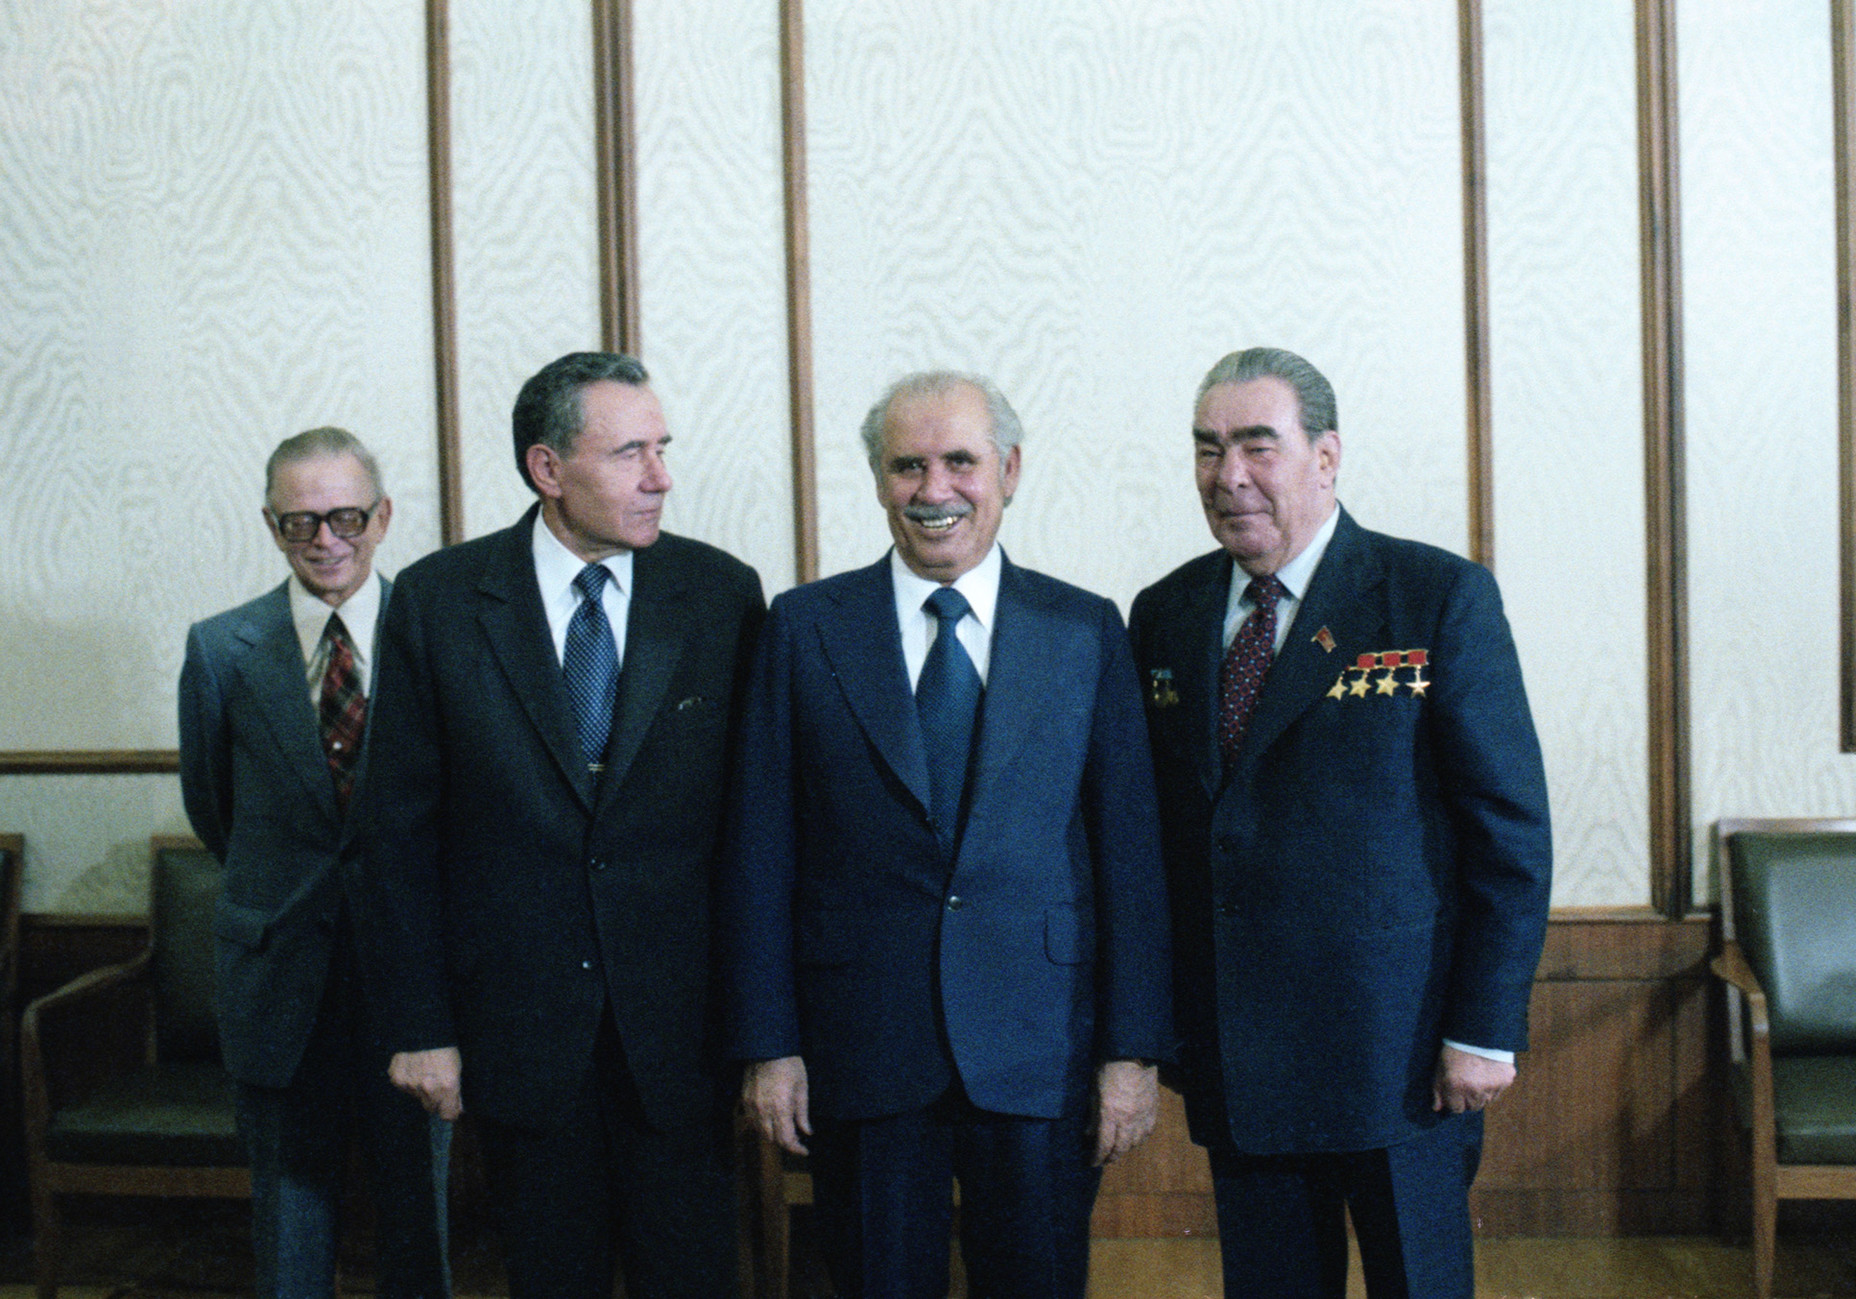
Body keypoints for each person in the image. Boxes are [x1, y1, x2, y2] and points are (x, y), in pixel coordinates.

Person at [724, 371, 1174, 1299]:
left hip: (1041, 1050)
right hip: (864, 1051)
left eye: (960, 462)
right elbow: (760, 851)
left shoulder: (1084, 629)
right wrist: (770, 1046)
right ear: (880, 480)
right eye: (907, 466)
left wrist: (1130, 1053)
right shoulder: (805, 628)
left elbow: (1130, 858)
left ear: (1007, 469)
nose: (934, 490)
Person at [1128, 348, 1552, 1299]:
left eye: (1255, 445)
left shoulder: (1434, 596)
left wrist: (1485, 1029)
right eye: (1207, 448)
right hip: (1237, 1055)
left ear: (1326, 457)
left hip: (1398, 1058)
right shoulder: (1165, 612)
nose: (1227, 474)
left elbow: (1510, 834)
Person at [353, 352, 764, 1298]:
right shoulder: (439, 601)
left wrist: (763, 1030)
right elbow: (397, 837)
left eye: (661, 449)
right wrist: (422, 1026)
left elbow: (754, 834)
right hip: (519, 1035)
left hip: (682, 1038)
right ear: (548, 468)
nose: (661, 477)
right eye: (630, 454)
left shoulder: (719, 593)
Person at [178, 426, 450, 1298]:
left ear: (383, 516)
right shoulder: (222, 649)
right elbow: (215, 808)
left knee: (420, 1222)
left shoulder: (438, 634)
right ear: (270, 524)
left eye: (346, 517)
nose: (326, 541)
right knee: (290, 1231)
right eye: (300, 523)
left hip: (411, 987)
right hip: (279, 982)